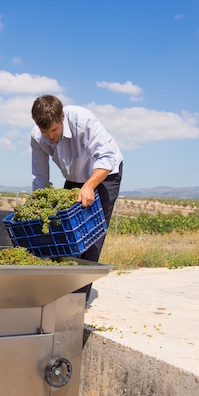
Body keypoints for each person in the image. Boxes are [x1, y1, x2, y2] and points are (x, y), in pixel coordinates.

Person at [31, 95, 123, 302]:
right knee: (65, 234)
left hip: (104, 173)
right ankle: (60, 294)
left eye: (53, 130)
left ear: (62, 117)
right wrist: (38, 204)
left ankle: (77, 301)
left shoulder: (84, 120)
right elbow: (40, 176)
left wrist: (90, 186)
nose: (50, 136)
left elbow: (107, 158)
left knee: (91, 235)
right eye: (45, 132)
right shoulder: (38, 136)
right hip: (73, 178)